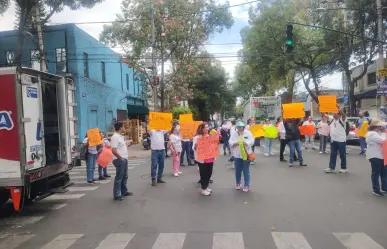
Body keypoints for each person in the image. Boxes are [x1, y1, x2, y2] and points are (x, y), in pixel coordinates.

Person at [229, 121, 254, 192]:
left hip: (246, 154)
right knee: (237, 170)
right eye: (238, 127)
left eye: (241, 127)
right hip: (237, 155)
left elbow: (252, 140)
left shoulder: (248, 133)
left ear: (243, 127)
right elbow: (230, 141)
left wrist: (247, 143)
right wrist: (234, 143)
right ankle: (238, 183)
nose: (239, 128)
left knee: (246, 171)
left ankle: (246, 185)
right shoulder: (234, 133)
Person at [111, 122, 132, 201]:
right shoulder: (115, 137)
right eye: (123, 127)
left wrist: (128, 144)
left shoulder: (120, 136)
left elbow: (121, 147)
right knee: (119, 177)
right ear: (120, 128)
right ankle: (117, 194)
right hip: (119, 159)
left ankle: (124, 191)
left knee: (125, 176)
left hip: (124, 158)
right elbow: (113, 150)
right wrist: (120, 158)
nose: (124, 128)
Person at [365, 119, 387, 196]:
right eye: (380, 126)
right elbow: (383, 141)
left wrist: (383, 133)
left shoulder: (378, 133)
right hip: (375, 156)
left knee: (384, 173)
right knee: (376, 173)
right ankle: (376, 189)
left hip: (382, 155)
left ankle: (384, 187)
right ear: (376, 126)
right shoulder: (371, 134)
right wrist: (384, 133)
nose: (382, 127)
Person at [193, 122, 215, 196]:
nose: (207, 128)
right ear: (202, 129)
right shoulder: (197, 137)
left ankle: (206, 186)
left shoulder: (209, 136)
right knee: (204, 173)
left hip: (210, 157)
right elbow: (194, 148)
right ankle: (203, 188)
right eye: (206, 127)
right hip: (202, 159)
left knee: (209, 172)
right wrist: (196, 145)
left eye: (208, 127)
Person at [325, 106, 348, 173]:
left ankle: (344, 168)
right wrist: (322, 108)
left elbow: (343, 115)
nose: (333, 114)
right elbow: (325, 115)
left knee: (342, 154)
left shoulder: (342, 120)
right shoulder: (332, 119)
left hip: (341, 140)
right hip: (333, 140)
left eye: (335, 113)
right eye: (333, 113)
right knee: (333, 154)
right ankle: (331, 167)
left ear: (338, 114)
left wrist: (338, 108)